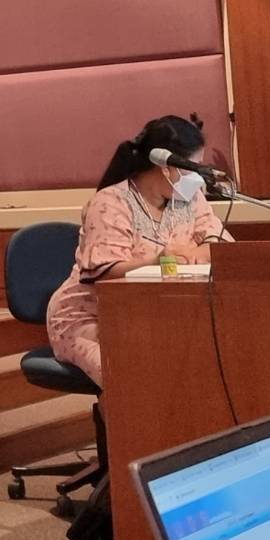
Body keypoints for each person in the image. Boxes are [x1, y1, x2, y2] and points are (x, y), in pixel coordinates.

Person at [47, 114, 230, 388]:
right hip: (91, 318)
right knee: (135, 380)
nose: (199, 179)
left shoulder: (190, 199)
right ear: (167, 168)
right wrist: (158, 261)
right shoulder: (110, 203)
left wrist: (200, 251)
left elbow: (219, 243)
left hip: (153, 318)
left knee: (200, 367)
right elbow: (104, 272)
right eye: (194, 169)